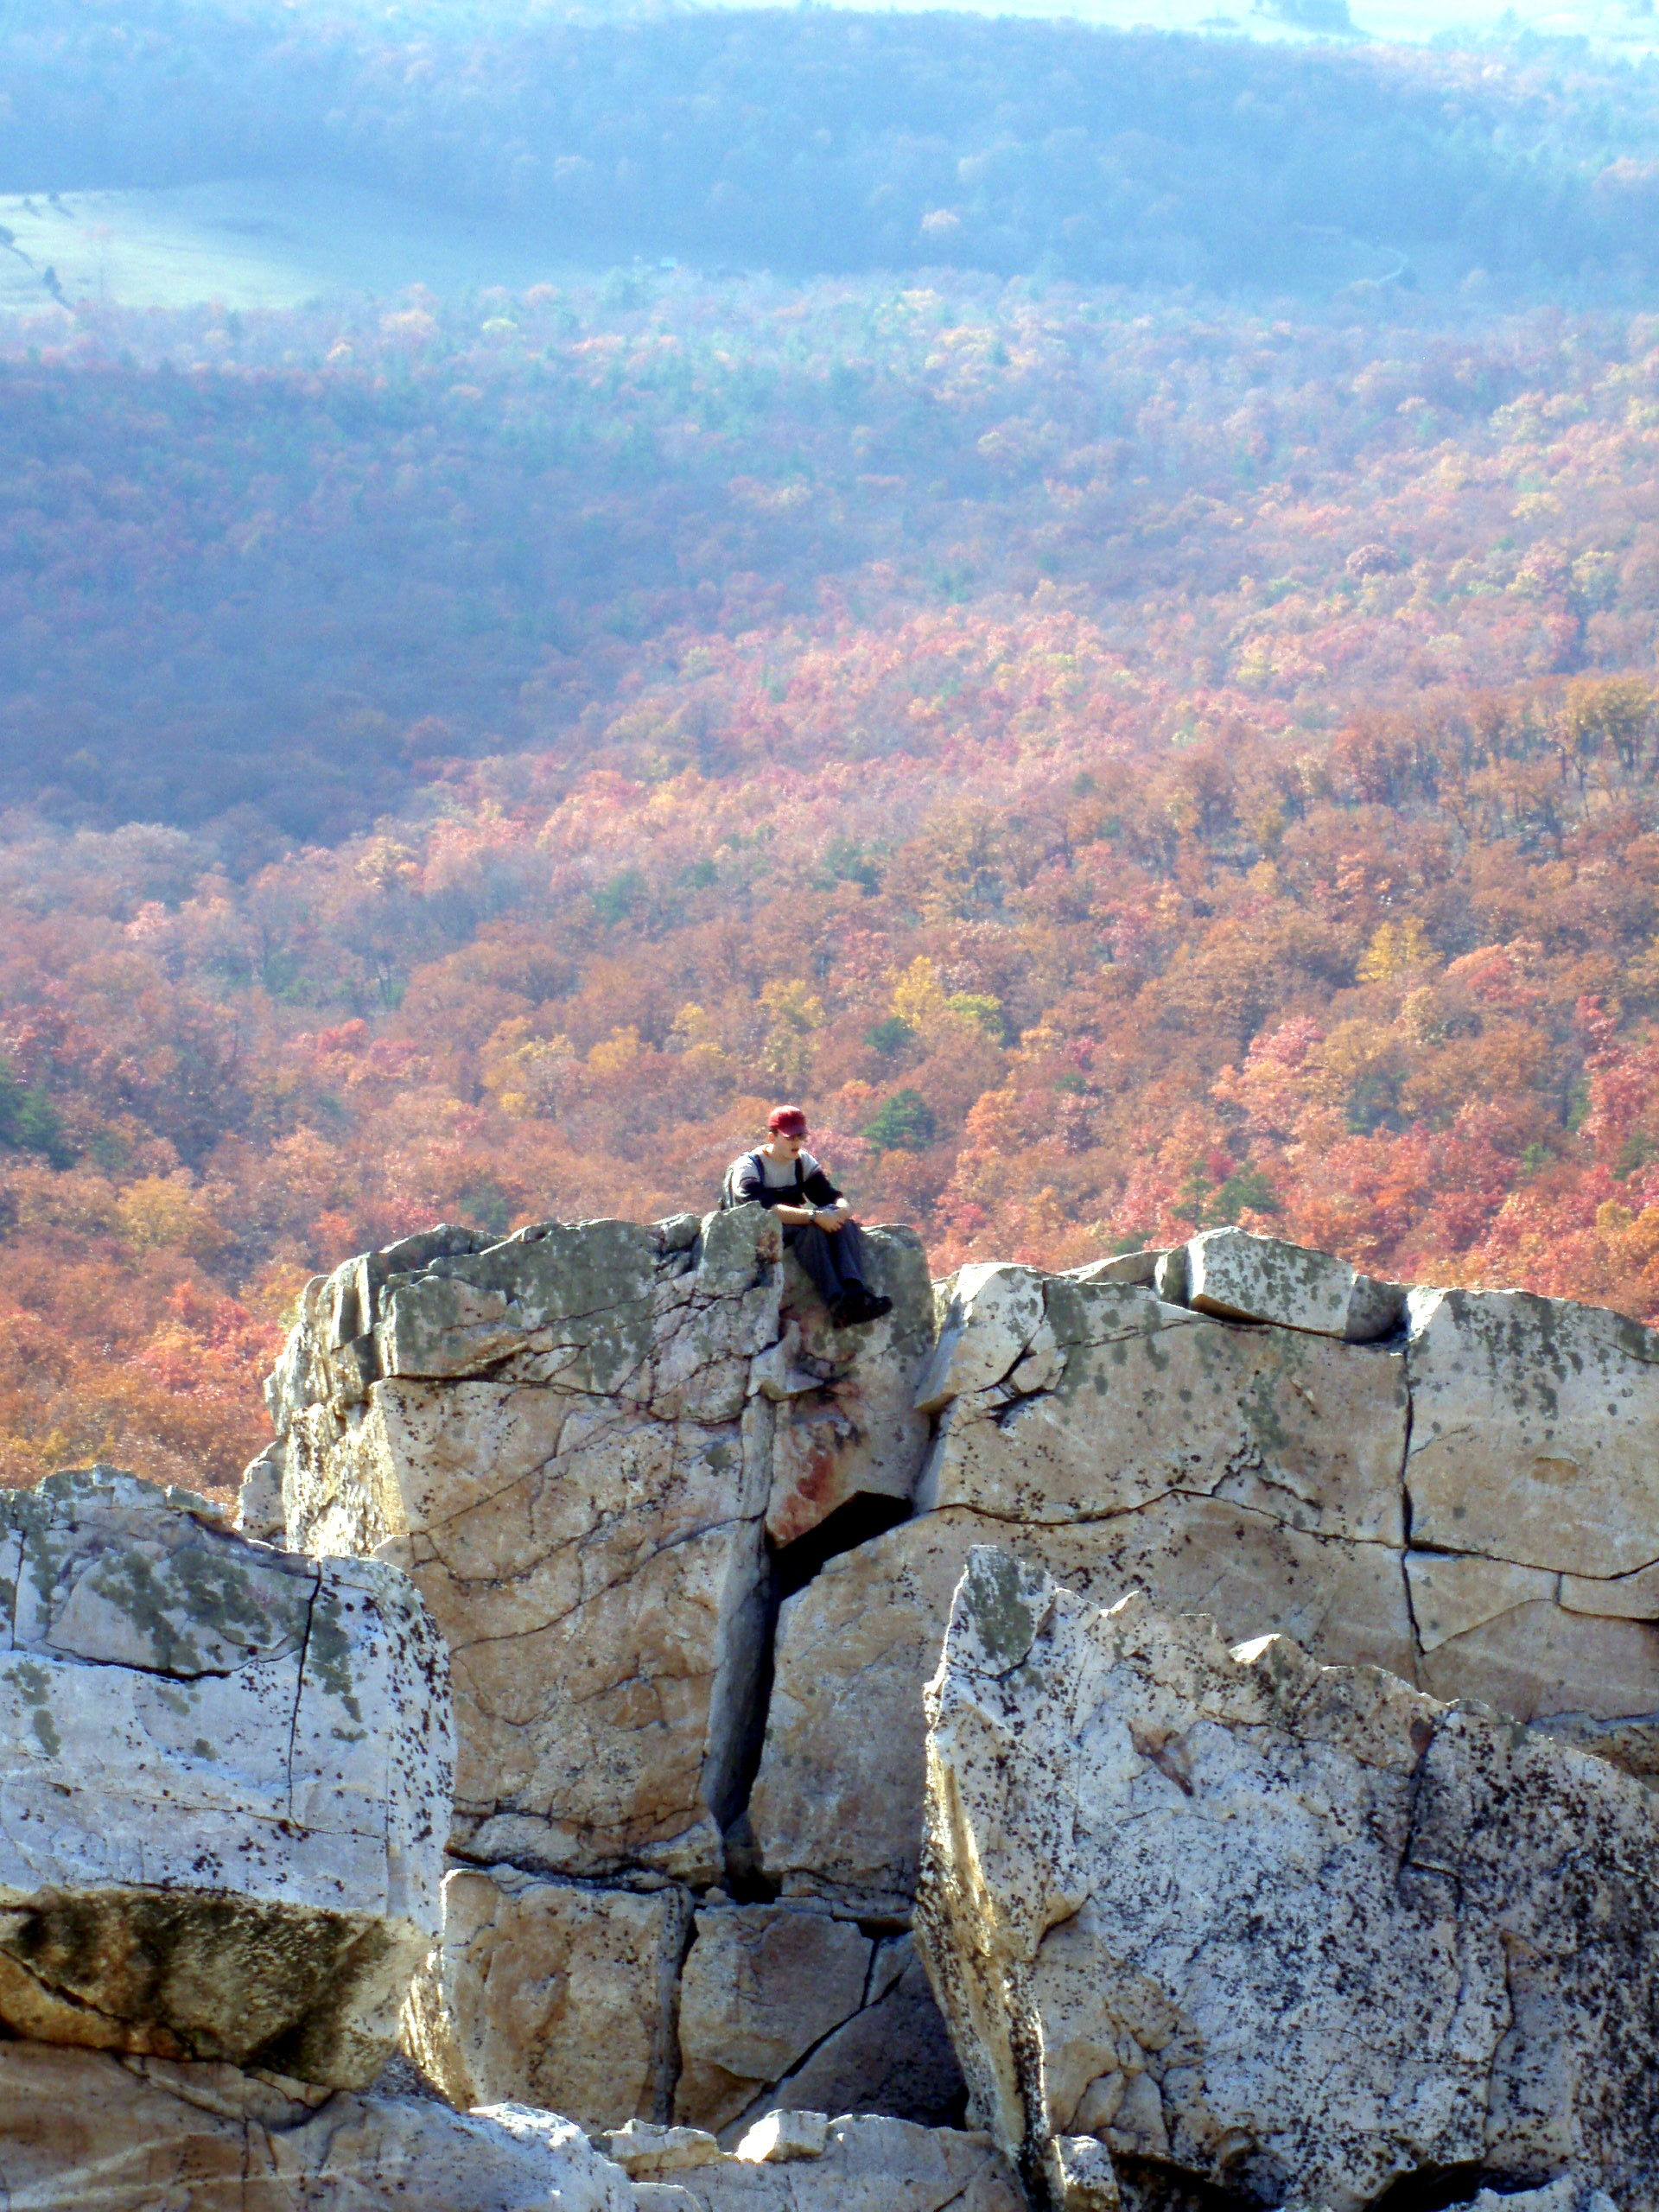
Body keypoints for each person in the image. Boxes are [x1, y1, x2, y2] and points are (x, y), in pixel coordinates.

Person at [724, 1106, 893, 1329]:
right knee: (812, 1231)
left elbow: (828, 1196)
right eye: (790, 1137)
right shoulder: (748, 1167)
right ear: (772, 1137)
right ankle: (836, 1301)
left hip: (792, 1224)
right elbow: (766, 1210)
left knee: (842, 1224)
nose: (796, 1143)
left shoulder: (801, 1162)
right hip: (756, 1232)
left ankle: (855, 1293)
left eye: (800, 1137)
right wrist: (814, 1217)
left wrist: (841, 1211)